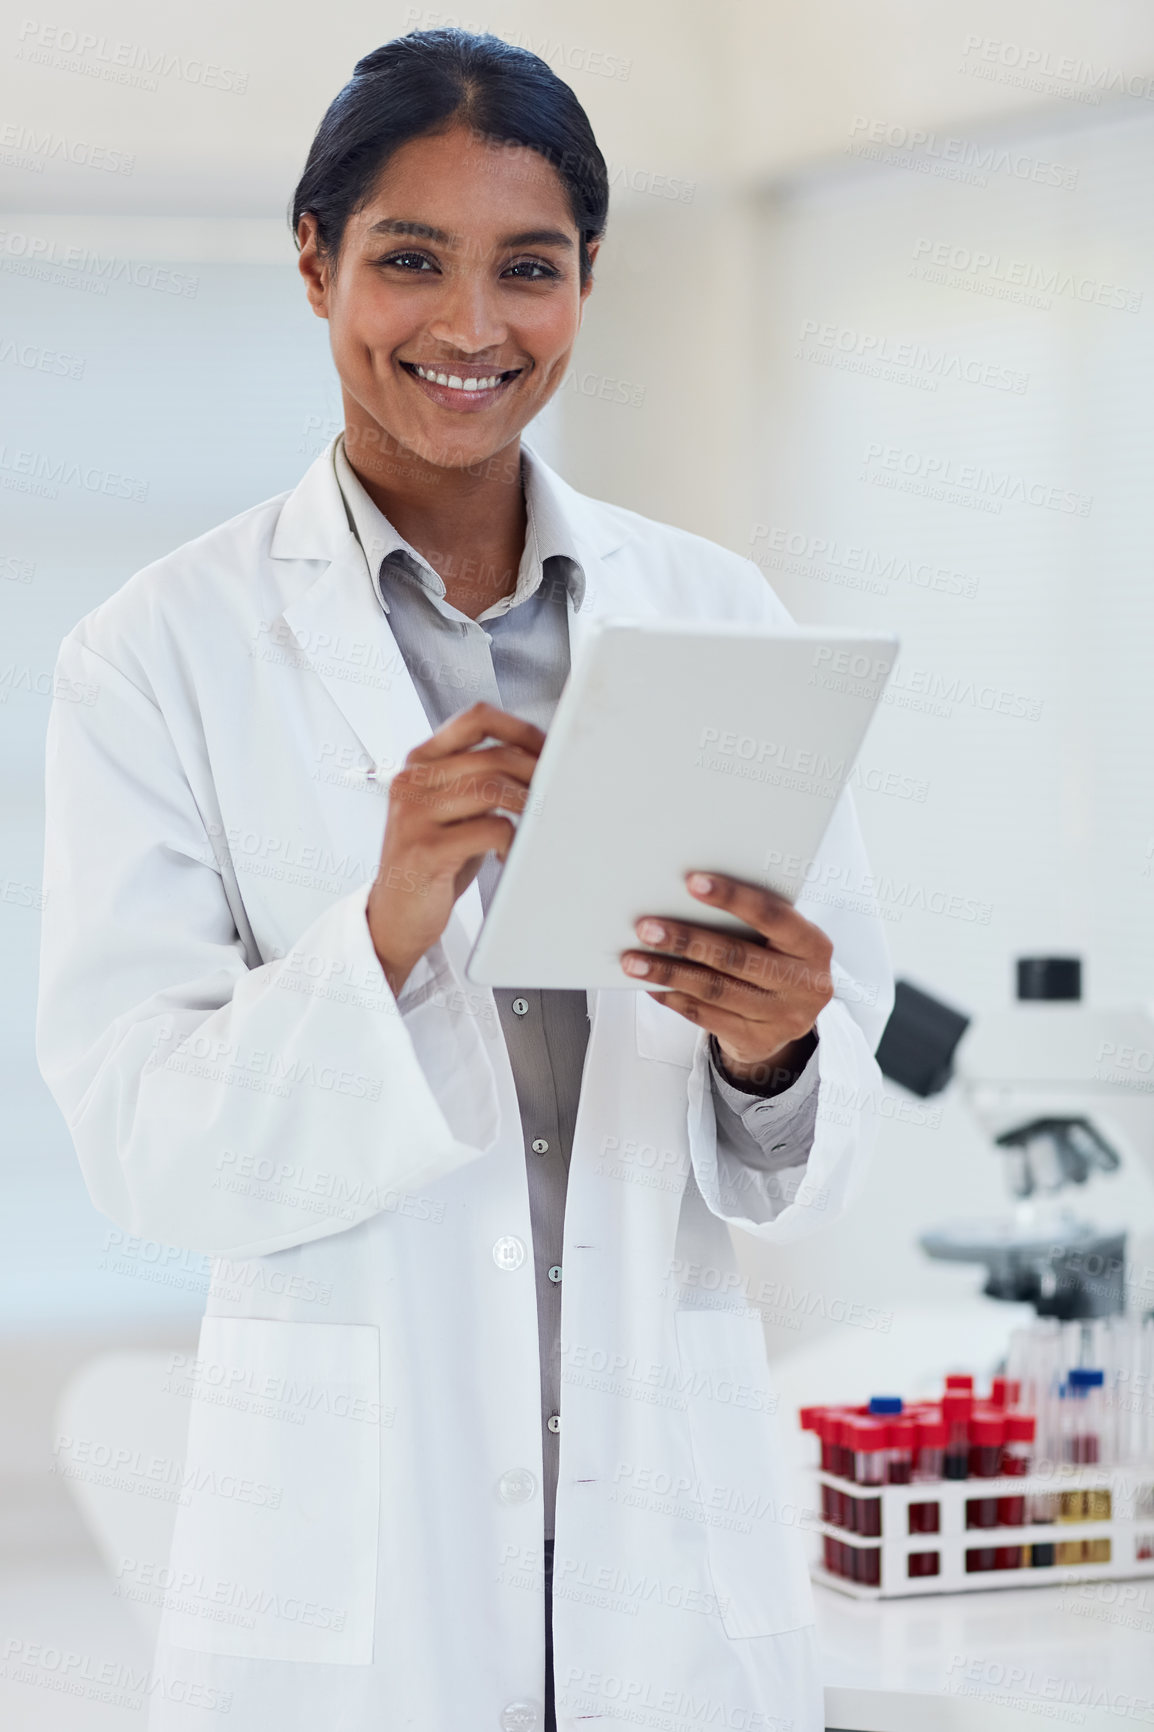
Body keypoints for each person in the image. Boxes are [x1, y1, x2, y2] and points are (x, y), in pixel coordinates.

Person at [36, 30, 893, 1732]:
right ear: (313, 264)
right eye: (408, 260)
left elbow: (815, 1106)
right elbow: (138, 1138)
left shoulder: (711, 613)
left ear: (586, 281)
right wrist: (381, 929)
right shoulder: (157, 654)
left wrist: (776, 1045)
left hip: (664, 1542)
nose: (471, 328)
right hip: (358, 1566)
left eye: (529, 267)